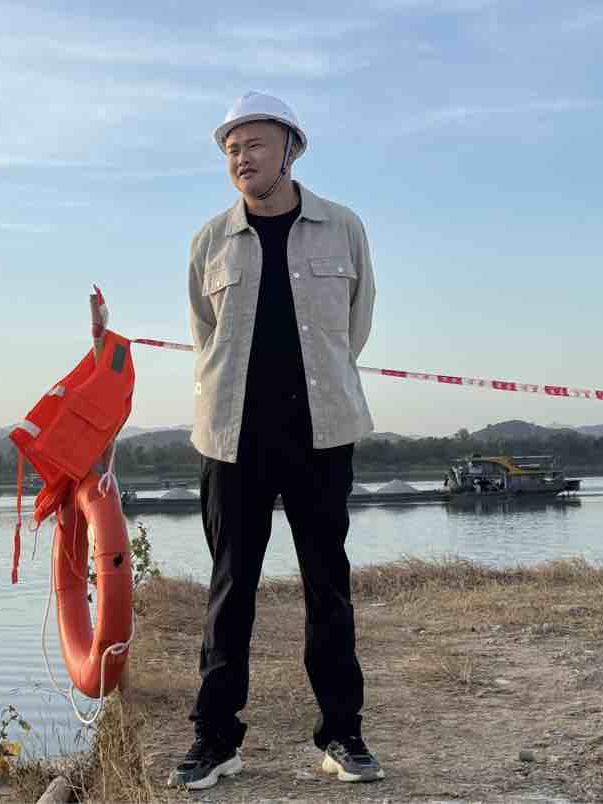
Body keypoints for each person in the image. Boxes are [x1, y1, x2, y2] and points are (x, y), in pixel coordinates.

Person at [168, 91, 383, 791]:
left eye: (255, 144)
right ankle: (215, 739)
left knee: (328, 584)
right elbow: (205, 336)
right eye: (231, 148)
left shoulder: (342, 227)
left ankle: (342, 735)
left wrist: (314, 387)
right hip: (231, 440)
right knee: (231, 588)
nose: (242, 157)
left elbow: (355, 325)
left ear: (291, 149)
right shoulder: (210, 241)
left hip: (321, 433)